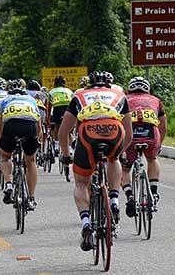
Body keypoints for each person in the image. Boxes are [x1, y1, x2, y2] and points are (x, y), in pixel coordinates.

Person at [58, 71, 132, 252]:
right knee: (113, 159)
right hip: (115, 130)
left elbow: (63, 131)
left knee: (82, 182)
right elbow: (129, 134)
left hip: (87, 132)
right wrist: (119, 152)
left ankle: (85, 223)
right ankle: (114, 200)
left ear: (88, 84)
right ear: (109, 84)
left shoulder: (79, 95)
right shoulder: (119, 94)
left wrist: (66, 154)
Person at [122, 77, 167, 216]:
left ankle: (129, 195)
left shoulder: (123, 99)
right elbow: (163, 126)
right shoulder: (156, 100)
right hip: (151, 136)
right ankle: (153, 192)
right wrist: (159, 144)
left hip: (130, 137)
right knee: (152, 159)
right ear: (148, 89)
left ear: (129, 89)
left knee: (124, 168)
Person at [0, 80, 42, 210]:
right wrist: (37, 139)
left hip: (11, 126)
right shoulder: (31, 100)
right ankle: (31, 198)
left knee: (5, 157)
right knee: (31, 161)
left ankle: (9, 184)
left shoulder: (5, 100)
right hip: (29, 126)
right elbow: (38, 125)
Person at [47, 76, 74, 156]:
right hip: (67, 108)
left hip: (57, 109)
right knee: (67, 129)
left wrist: (48, 117)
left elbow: (49, 106)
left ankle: (56, 145)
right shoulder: (69, 91)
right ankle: (69, 148)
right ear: (64, 83)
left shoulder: (51, 91)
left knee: (57, 126)